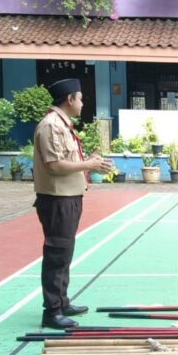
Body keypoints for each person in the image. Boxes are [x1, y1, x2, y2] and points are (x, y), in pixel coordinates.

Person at [32, 78, 114, 329]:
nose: (82, 103)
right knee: (57, 253)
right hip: (57, 199)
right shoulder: (51, 125)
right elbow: (54, 165)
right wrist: (88, 164)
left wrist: (88, 160)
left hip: (68, 197)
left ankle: (62, 301)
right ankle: (52, 311)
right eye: (80, 98)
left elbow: (66, 161)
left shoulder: (62, 125)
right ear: (69, 99)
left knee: (64, 252)